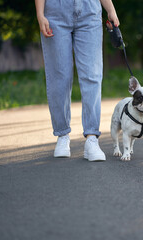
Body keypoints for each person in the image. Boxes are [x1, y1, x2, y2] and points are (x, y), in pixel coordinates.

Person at [35, 0, 119, 161]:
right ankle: (62, 135)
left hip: (89, 11)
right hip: (55, 12)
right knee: (59, 76)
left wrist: (111, 10)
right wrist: (40, 14)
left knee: (92, 75)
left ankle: (92, 138)